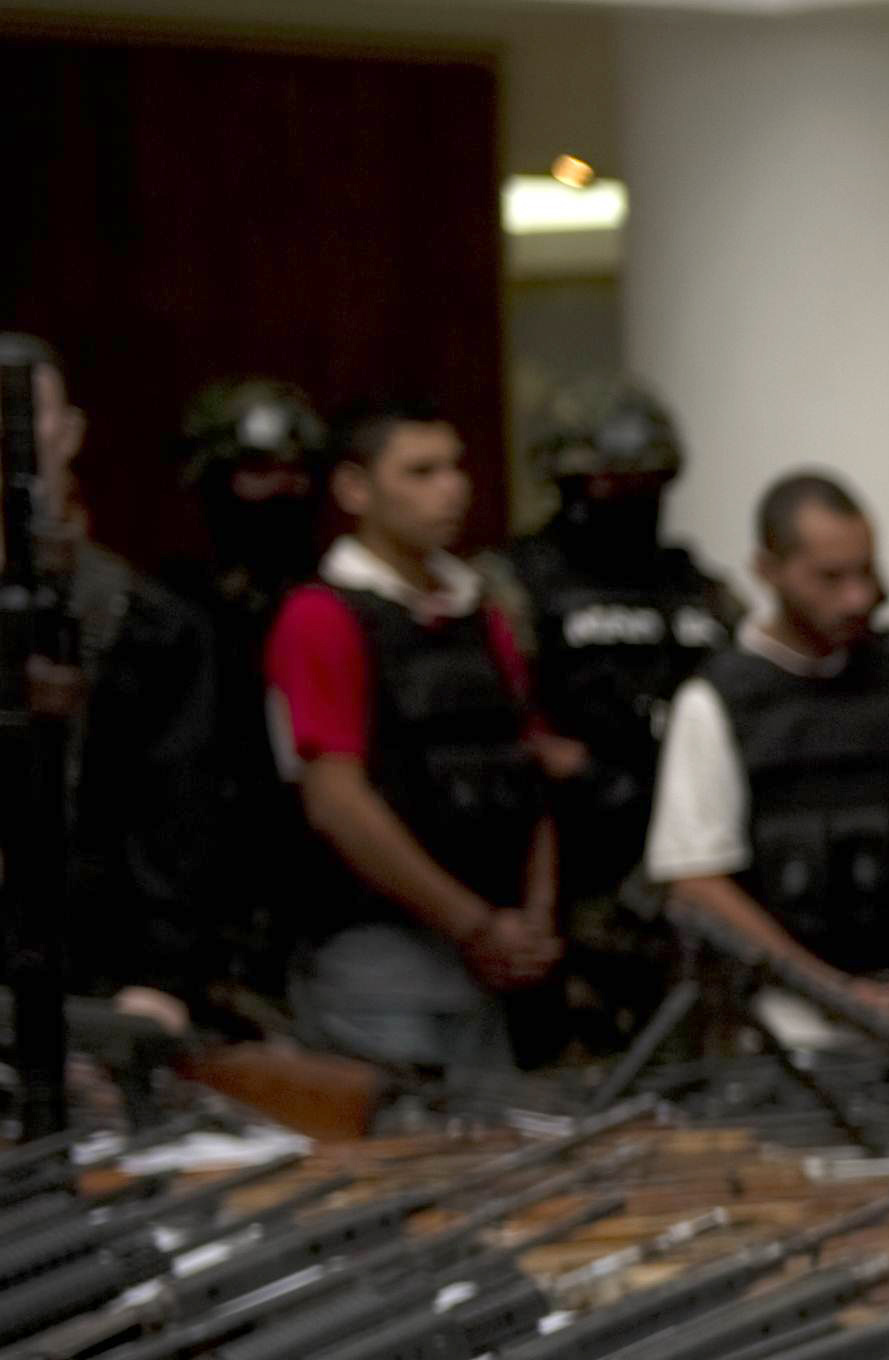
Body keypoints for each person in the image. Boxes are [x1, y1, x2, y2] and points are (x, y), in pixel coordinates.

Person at [647, 471, 889, 1036]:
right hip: (788, 1024)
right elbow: (697, 880)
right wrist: (829, 992)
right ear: (767, 571)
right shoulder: (718, 700)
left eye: (866, 571)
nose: (857, 597)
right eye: (829, 578)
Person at [262, 394, 555, 1078]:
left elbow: (525, 762)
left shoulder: (483, 612)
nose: (451, 488)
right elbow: (338, 802)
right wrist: (474, 925)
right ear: (355, 489)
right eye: (420, 472)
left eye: (454, 467)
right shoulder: (322, 615)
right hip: (377, 963)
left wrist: (533, 918)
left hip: (497, 962)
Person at [497, 374, 736, 1057]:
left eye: (648, 482)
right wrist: (572, 766)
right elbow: (498, 723)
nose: (631, 499)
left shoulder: (704, 592)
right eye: (610, 483)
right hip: (571, 896)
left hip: (690, 899)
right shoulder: (516, 585)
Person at [3, 336, 217, 1047]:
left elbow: (173, 812)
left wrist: (158, 980)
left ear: (68, 434)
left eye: (23, 413)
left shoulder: (143, 621)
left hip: (84, 970)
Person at [155, 376, 325, 1005]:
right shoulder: (167, 613)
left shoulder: (337, 604)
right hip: (201, 908)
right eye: (258, 473)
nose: (283, 491)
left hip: (323, 902)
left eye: (296, 473)